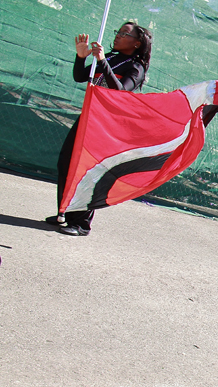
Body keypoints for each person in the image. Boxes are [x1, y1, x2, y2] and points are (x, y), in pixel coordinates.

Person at [48, 22, 152, 236]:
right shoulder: (112, 58)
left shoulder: (136, 67)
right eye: (118, 32)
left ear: (137, 43)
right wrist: (81, 57)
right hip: (87, 116)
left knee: (88, 171)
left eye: (125, 34)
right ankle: (64, 212)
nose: (118, 37)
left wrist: (102, 61)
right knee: (66, 163)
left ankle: (81, 224)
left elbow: (120, 91)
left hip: (104, 125)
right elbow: (80, 77)